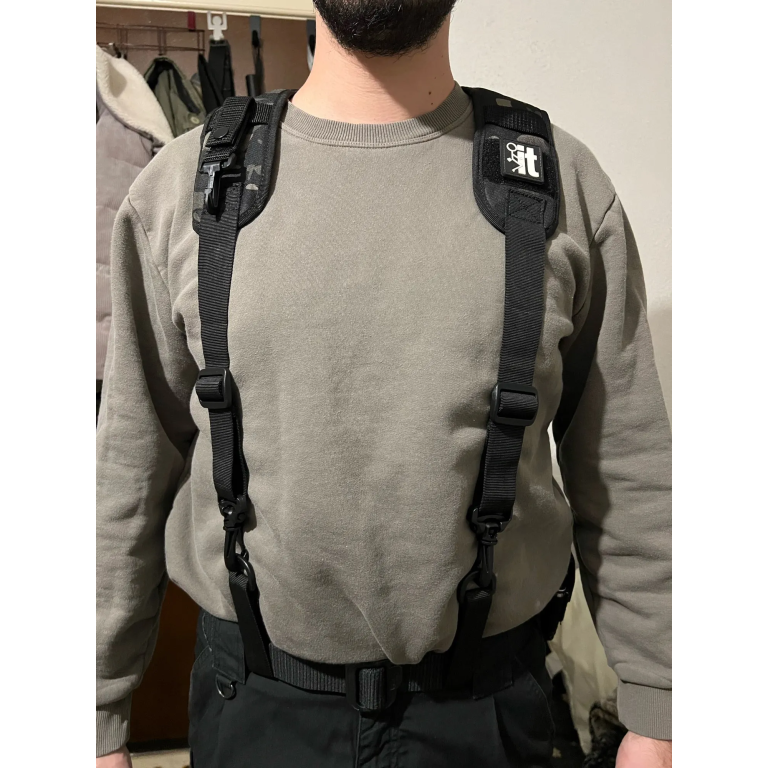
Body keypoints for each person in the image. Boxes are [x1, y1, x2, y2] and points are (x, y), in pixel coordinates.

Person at [96, 2, 672, 766]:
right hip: (256, 711)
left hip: (490, 717)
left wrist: (664, 707)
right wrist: (91, 713)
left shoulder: (561, 188)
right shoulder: (183, 192)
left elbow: (628, 468)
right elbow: (127, 476)